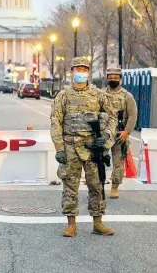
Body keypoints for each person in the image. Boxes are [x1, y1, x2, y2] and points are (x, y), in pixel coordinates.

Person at [50, 56, 117, 237]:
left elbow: (112, 117)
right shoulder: (63, 96)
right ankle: (71, 223)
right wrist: (59, 149)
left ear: (88, 72)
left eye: (84, 69)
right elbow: (56, 121)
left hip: (92, 146)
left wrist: (106, 137)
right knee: (70, 186)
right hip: (71, 145)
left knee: (96, 185)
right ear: (72, 72)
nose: (81, 73)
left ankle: (98, 222)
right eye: (77, 69)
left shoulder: (99, 95)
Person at [105, 67, 138, 199]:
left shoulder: (126, 96)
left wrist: (127, 131)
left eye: (116, 77)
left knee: (118, 162)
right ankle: (98, 185)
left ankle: (115, 186)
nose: (113, 79)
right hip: (104, 133)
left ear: (120, 79)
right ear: (107, 78)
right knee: (97, 160)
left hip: (120, 133)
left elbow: (132, 115)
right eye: (111, 77)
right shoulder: (101, 94)